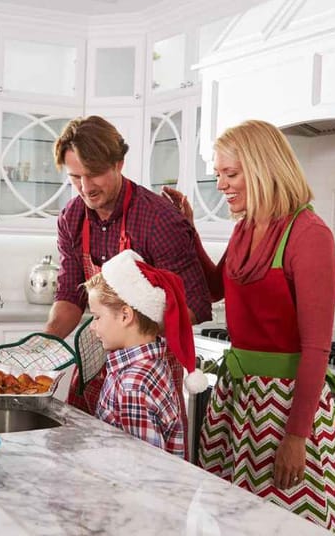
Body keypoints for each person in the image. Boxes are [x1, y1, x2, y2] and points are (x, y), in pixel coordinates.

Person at [163, 119, 335, 533]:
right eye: (219, 175)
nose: (222, 185)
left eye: (231, 174)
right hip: (237, 399)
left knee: (283, 526)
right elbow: (216, 287)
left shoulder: (309, 234)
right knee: (227, 522)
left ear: (264, 168)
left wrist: (296, 438)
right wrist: (188, 228)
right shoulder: (246, 228)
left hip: (284, 408)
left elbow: (317, 348)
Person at [46, 115, 212, 437]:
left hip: (147, 368)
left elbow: (194, 303)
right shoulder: (72, 217)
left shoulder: (158, 220)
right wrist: (43, 346)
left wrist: (133, 333)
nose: (85, 187)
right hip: (96, 361)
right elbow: (70, 295)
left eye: (93, 174)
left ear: (119, 163)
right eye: (75, 177)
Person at [85, 249, 208, 457]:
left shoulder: (134, 385)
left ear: (125, 315)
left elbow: (141, 469)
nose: (92, 326)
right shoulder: (148, 367)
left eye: (97, 317)